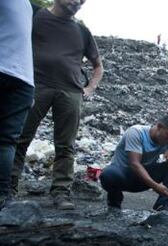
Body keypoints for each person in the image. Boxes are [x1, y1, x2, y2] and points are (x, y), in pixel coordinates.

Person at [11, 0, 104, 209]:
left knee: (65, 145)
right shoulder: (34, 15)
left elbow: (98, 67)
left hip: (70, 91)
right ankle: (8, 188)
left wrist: (89, 89)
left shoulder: (82, 31)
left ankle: (61, 193)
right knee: (20, 138)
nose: (78, 2)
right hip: (36, 85)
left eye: (82, 0)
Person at [99, 116, 168, 211]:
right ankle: (114, 203)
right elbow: (134, 164)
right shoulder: (136, 132)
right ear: (159, 126)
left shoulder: (166, 141)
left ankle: (163, 206)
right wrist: (156, 186)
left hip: (142, 179)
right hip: (123, 176)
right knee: (108, 174)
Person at [0, 0, 35, 209]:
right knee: (6, 142)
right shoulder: (26, 5)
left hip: (9, 71)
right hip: (23, 78)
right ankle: (3, 197)